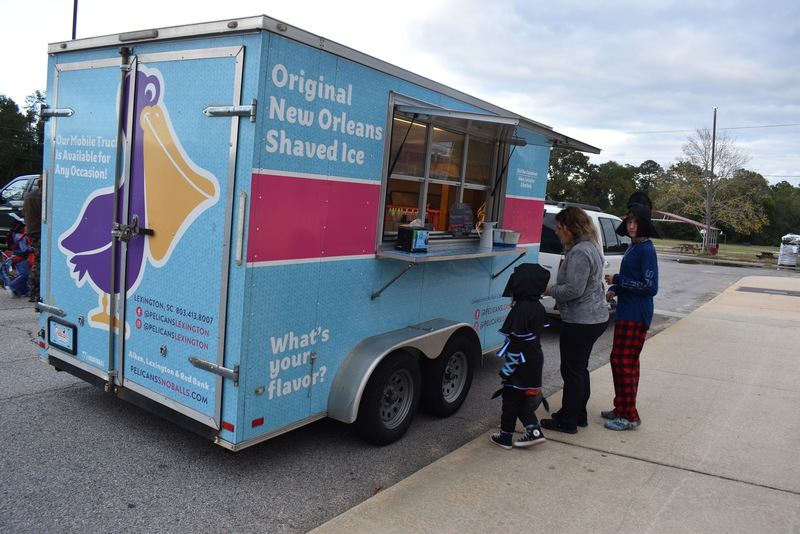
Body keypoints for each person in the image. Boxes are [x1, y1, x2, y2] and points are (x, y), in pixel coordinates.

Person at [541, 206, 609, 434]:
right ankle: (578, 415)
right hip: (592, 319)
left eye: (560, 227)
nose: (556, 232)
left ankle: (567, 420)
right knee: (579, 369)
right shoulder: (590, 246)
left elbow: (573, 290)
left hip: (582, 321)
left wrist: (549, 289)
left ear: (572, 228)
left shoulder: (580, 251)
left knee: (572, 371)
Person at [602, 193, 659, 431]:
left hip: (637, 315)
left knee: (623, 362)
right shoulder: (633, 246)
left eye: (636, 222)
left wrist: (618, 279)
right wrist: (615, 288)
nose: (632, 226)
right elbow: (632, 278)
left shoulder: (646, 250)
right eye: (629, 221)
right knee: (622, 361)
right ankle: (621, 408)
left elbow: (650, 287)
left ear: (644, 224)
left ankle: (629, 416)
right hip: (627, 312)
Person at [490, 263, 550, 449]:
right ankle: (534, 430)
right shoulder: (537, 306)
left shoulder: (521, 309)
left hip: (521, 361)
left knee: (510, 398)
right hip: (534, 358)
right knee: (520, 397)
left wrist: (507, 371)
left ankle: (505, 436)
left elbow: (516, 343)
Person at [23, 176, 42, 303]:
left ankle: (33, 291)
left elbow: (24, 214)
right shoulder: (43, 197)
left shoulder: (29, 196)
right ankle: (35, 291)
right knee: (39, 262)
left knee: (37, 260)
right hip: (40, 231)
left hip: (31, 230)